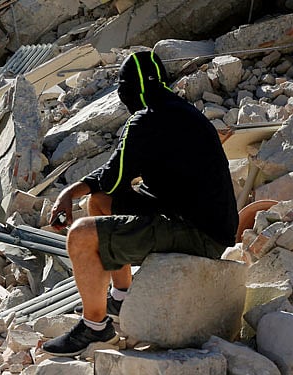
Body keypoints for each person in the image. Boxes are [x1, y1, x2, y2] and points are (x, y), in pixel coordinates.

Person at [41, 50, 239, 357]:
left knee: (80, 235)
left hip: (197, 234)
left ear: (129, 90)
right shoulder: (182, 112)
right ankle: (122, 297)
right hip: (201, 222)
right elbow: (111, 181)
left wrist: (67, 195)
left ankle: (96, 330)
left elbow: (113, 176)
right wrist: (76, 193)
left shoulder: (147, 120)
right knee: (101, 201)